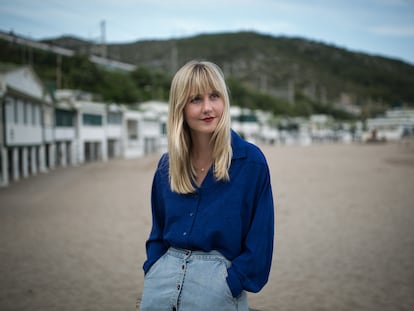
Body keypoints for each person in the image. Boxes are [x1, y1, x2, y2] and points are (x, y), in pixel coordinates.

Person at [139, 60, 274, 311]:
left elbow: (260, 243)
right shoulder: (167, 166)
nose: (208, 108)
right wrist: (153, 269)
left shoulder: (251, 163)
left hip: (217, 293)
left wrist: (231, 283)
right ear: (180, 108)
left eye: (214, 96)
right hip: (161, 288)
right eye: (195, 100)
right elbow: (158, 232)